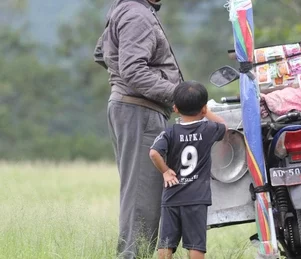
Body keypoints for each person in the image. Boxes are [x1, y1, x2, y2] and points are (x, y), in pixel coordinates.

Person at [93, 0, 183, 258]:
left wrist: (119, 80)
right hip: (140, 110)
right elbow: (132, 69)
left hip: (134, 108)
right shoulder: (137, 14)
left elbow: (101, 54)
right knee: (142, 199)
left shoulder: (127, 9)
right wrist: (177, 94)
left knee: (143, 195)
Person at [149, 81, 228, 259]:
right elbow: (224, 126)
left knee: (166, 243)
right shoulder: (209, 129)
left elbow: (154, 153)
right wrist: (207, 113)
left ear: (175, 108)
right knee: (196, 244)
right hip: (197, 198)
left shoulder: (170, 132)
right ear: (203, 108)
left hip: (172, 196)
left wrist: (166, 171)